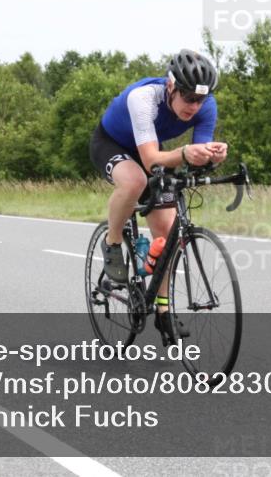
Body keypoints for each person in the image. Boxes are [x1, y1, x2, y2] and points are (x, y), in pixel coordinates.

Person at [89, 49, 228, 340]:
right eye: (188, 98)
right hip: (113, 143)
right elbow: (152, 159)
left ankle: (163, 310)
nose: (195, 106)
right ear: (171, 86)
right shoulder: (143, 98)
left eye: (200, 99)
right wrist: (185, 152)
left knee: (167, 235)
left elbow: (194, 158)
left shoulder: (206, 106)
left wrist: (212, 155)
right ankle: (112, 241)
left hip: (152, 147)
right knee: (134, 181)